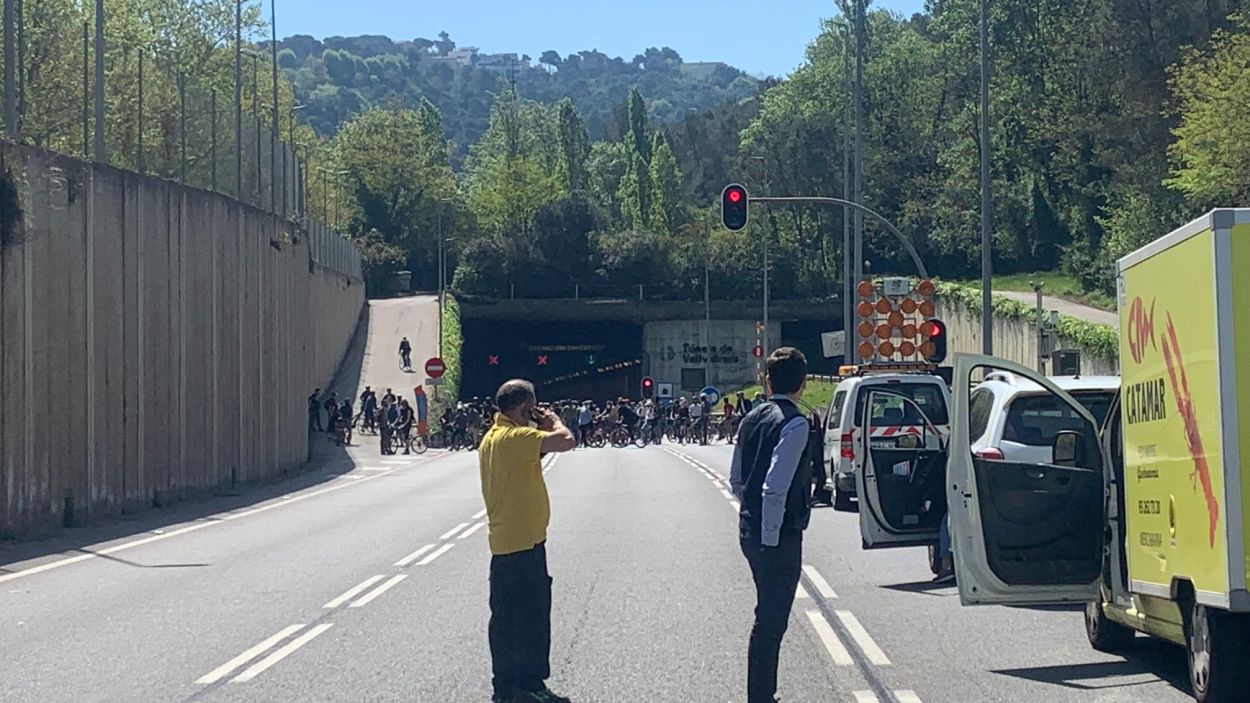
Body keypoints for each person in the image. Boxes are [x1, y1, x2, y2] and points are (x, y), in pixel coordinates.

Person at [478, 379, 577, 703]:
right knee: (532, 618)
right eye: (532, 406)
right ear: (523, 407)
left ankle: (509, 687)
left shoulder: (492, 438)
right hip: (524, 542)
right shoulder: (517, 436)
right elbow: (565, 441)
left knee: (507, 621)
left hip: (506, 542)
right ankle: (528, 686)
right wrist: (553, 421)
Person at [730, 347, 813, 703]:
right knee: (771, 619)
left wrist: (749, 515)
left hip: (749, 528)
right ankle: (760, 696)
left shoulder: (751, 419)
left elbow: (736, 478)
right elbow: (776, 485)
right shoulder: (794, 423)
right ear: (803, 384)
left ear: (767, 381)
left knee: (768, 614)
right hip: (775, 534)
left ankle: (762, 694)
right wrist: (771, 537)